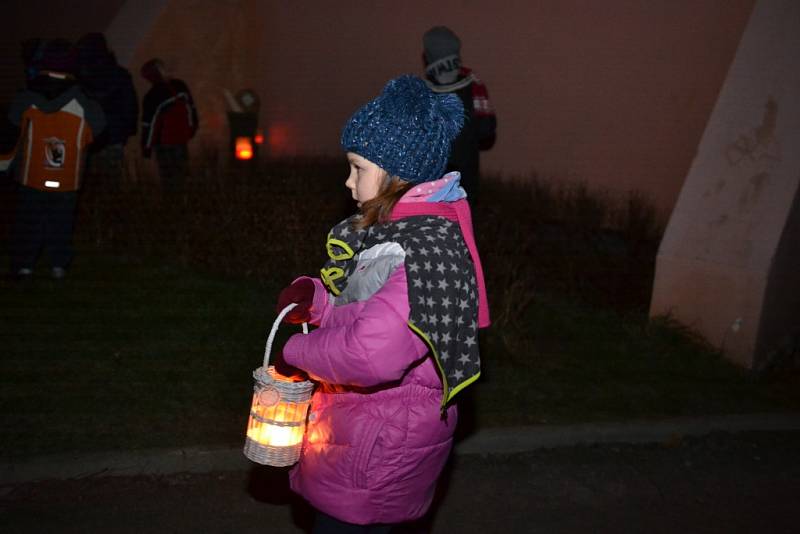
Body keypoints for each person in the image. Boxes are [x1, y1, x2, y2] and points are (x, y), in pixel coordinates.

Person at [275, 75, 491, 532]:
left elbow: (370, 353)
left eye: (358, 168)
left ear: (398, 172)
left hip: (380, 444)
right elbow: (363, 311)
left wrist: (293, 353)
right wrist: (314, 301)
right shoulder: (396, 233)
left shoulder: (426, 251)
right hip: (363, 429)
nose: (348, 182)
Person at [1, 39, 105, 280]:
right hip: (67, 178)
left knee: (29, 221)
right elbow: (99, 128)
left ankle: (24, 265)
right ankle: (58, 265)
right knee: (62, 222)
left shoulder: (26, 97)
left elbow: (12, 132)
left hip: (31, 175)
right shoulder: (83, 100)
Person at [422, 26, 497, 202]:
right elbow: (487, 128)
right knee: (464, 211)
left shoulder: (423, 90)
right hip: (466, 168)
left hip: (433, 172)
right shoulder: (474, 83)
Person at [75, 32, 138, 193]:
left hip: (89, 139)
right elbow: (130, 106)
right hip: (113, 136)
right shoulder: (120, 75)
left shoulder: (80, 79)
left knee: (90, 186)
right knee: (111, 185)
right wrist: (127, 131)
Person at [139, 58, 197, 193]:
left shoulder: (152, 96)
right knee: (182, 177)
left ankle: (171, 208)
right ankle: (184, 206)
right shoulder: (180, 86)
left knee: (168, 181)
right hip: (181, 140)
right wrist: (191, 131)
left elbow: (149, 126)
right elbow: (192, 110)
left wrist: (146, 148)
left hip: (164, 144)